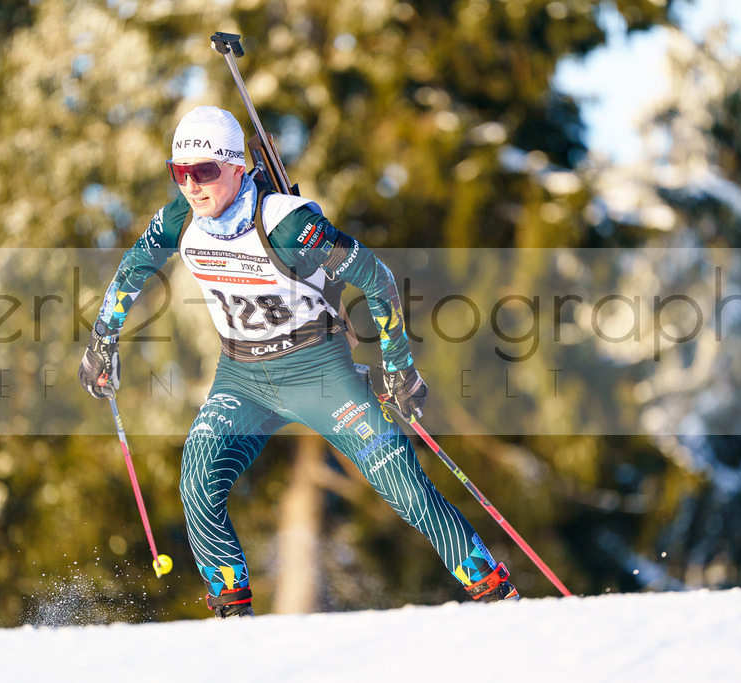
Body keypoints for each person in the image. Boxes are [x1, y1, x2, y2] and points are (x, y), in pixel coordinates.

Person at [79, 106, 518, 617]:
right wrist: (103, 340)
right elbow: (134, 267)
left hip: (319, 372)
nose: (192, 187)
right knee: (198, 473)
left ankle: (495, 593)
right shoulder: (180, 220)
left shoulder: (289, 226)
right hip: (243, 378)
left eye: (204, 172)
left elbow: (376, 278)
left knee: (405, 487)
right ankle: (233, 613)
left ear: (237, 168)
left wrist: (399, 366)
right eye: (180, 173)